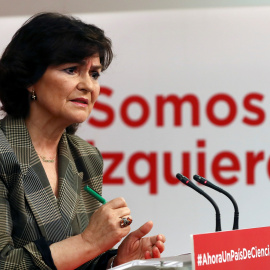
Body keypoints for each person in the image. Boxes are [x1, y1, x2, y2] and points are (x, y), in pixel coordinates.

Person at [0, 12, 165, 269]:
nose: (88, 85)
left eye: (95, 74)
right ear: (30, 78)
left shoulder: (86, 157)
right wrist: (89, 242)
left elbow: (77, 260)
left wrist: (113, 261)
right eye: (71, 70)